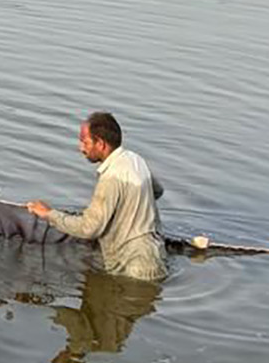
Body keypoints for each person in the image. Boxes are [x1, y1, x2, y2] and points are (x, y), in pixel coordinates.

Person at [25, 112, 168, 281]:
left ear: (100, 144)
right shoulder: (135, 160)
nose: (81, 148)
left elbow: (90, 228)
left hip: (133, 267)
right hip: (155, 253)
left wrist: (49, 214)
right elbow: (157, 191)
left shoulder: (111, 177)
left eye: (85, 142)